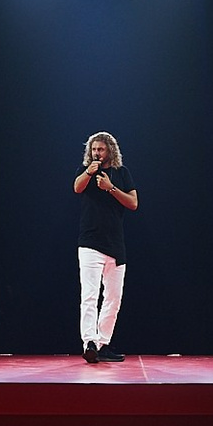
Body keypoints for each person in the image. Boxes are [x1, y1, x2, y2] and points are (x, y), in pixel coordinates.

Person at [72, 131, 138, 364]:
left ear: (110, 150)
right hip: (90, 242)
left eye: (100, 149)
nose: (96, 153)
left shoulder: (122, 173)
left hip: (115, 244)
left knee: (113, 298)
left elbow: (133, 203)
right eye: (93, 149)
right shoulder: (85, 171)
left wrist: (111, 188)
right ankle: (89, 342)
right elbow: (77, 188)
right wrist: (89, 173)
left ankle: (103, 344)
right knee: (89, 296)